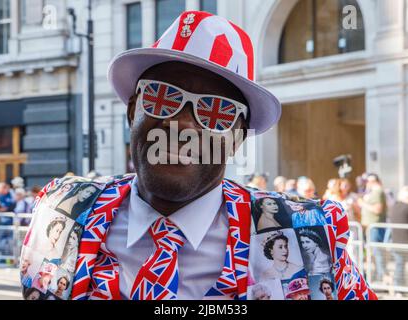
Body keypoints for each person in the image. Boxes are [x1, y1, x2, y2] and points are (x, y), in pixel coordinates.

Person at [20, 10, 376, 300]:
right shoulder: (63, 214)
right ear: (133, 111)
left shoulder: (306, 237)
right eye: (163, 97)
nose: (182, 124)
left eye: (217, 111)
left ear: (237, 138)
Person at [358, 173, 387, 280]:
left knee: (377, 254)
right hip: (371, 227)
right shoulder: (374, 192)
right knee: (374, 254)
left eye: (369, 181)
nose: (367, 183)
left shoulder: (377, 192)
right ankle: (380, 278)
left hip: (375, 227)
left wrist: (363, 203)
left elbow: (377, 209)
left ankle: (384, 278)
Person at [388, 186, 408, 286]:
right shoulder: (406, 207)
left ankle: (398, 287)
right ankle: (398, 287)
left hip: (395, 242)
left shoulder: (394, 206)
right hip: (404, 243)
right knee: (400, 266)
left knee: (399, 265)